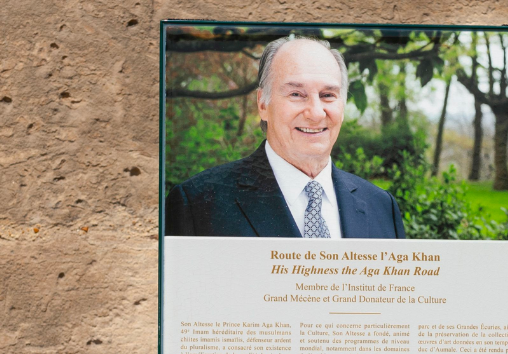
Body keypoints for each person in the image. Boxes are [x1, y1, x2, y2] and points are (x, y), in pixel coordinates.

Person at [165, 36, 406, 239]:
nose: (315, 113)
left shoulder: (382, 207)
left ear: (342, 106)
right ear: (263, 104)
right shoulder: (198, 204)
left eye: (327, 95)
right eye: (296, 94)